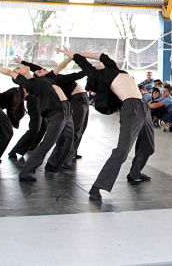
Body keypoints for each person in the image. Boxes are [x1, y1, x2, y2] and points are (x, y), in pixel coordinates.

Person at [60, 48, 155, 201]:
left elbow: (102, 56)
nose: (97, 63)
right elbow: (83, 63)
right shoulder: (98, 76)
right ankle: (97, 187)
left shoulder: (112, 68)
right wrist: (72, 55)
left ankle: (135, 174)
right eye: (95, 65)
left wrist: (79, 52)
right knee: (122, 151)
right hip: (131, 108)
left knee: (148, 146)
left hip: (143, 106)